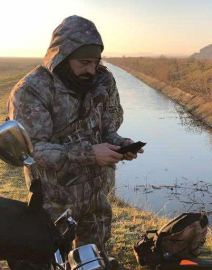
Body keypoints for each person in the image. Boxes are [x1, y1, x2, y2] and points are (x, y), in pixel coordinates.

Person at [8, 15, 142, 264]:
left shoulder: (99, 82)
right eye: (84, 62)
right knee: (53, 262)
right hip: (53, 206)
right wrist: (90, 154)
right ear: (61, 56)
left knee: (93, 262)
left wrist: (120, 143)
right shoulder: (31, 90)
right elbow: (32, 150)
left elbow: (105, 130)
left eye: (96, 61)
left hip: (96, 202)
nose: (92, 69)